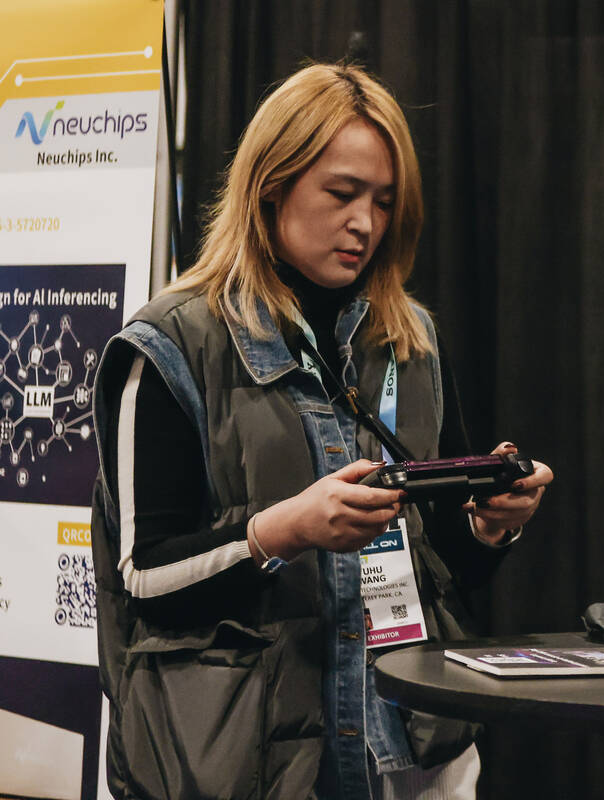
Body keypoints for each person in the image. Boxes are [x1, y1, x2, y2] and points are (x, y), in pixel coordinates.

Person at [89, 62, 553, 799]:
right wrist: (284, 531)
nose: (365, 223)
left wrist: (492, 524)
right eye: (341, 194)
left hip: (408, 754)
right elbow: (143, 578)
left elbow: (448, 569)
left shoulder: (411, 339)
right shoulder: (169, 346)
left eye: (383, 201)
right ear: (272, 184)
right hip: (242, 767)